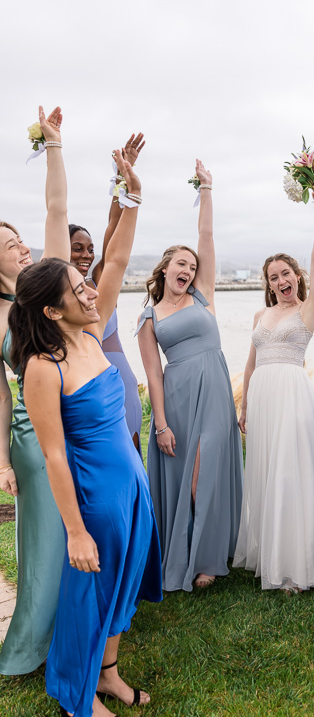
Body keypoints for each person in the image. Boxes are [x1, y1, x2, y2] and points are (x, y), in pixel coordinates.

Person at [11, 149, 162, 717]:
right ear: (51, 311)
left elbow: (117, 256)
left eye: (84, 281)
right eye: (77, 287)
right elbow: (53, 456)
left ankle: (108, 675)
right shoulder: (42, 369)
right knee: (89, 599)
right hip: (95, 499)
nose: (90, 289)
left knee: (121, 591)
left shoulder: (93, 333)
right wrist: (75, 532)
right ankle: (76, 695)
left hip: (132, 487)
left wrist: (133, 196)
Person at [137, 160, 243, 591]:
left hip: (215, 391)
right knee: (187, 479)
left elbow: (207, 237)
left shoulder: (204, 295)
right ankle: (194, 556)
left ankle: (211, 556)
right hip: (177, 399)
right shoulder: (149, 316)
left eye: (192, 266)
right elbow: (154, 375)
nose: (188, 269)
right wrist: (160, 424)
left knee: (207, 472)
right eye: (180, 263)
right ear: (164, 269)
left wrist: (207, 189)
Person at [232, 198, 314, 592]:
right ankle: (270, 553)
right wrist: (245, 405)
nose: (281, 281)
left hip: (293, 395)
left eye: (286, 274)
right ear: (267, 283)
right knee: (265, 468)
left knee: (290, 470)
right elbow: (250, 362)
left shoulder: (309, 309)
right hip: (262, 397)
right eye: (273, 277)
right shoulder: (260, 317)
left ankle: (298, 565)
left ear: (297, 276)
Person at [0, 106, 69, 675]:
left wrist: (54, 147)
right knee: (45, 543)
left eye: (21, 239)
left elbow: (57, 211)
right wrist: (1, 457)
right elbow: (0, 395)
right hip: (30, 434)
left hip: (76, 419)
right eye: (8, 244)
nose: (22, 246)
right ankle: (33, 648)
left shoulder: (42, 282)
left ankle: (83, 632)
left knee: (84, 527)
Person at [68, 133, 145, 453]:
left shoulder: (100, 283)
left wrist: (120, 176)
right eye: (77, 249)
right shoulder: (57, 291)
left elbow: (114, 226)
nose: (86, 255)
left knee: (133, 464)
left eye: (90, 249)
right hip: (88, 390)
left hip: (122, 381)